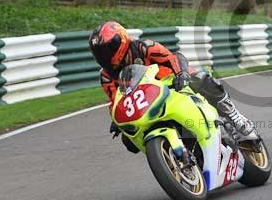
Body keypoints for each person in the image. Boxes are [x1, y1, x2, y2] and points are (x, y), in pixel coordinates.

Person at [89, 22, 257, 152]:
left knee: (199, 78)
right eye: (99, 52)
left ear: (122, 40)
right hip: (145, 103)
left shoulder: (142, 47)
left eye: (108, 49)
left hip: (171, 82)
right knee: (129, 141)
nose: (104, 55)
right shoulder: (106, 76)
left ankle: (235, 118)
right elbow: (116, 101)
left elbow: (172, 58)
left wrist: (181, 74)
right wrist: (116, 120)